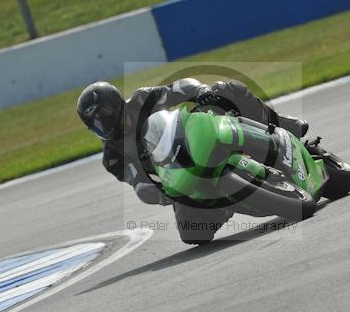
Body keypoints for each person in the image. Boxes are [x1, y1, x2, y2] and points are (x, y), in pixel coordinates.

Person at [76, 78, 308, 244]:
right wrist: (158, 193)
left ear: (116, 105)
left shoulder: (141, 100)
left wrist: (202, 92)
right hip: (179, 178)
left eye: (102, 117)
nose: (102, 126)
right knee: (192, 234)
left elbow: (179, 88)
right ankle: (226, 203)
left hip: (194, 139)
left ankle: (279, 124)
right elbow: (137, 182)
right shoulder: (112, 157)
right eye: (95, 125)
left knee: (228, 90)